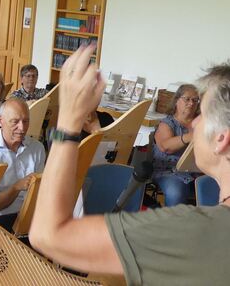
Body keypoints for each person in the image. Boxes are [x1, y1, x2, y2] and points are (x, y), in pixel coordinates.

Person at [30, 45, 230, 285]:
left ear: (222, 138)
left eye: (202, 113)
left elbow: (47, 235)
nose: (195, 121)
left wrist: (68, 120)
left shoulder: (195, 232)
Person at [0, 98, 45, 230]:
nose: (22, 128)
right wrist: (17, 187)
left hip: (30, 217)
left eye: (26, 121)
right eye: (15, 122)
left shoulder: (37, 148)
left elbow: (41, 193)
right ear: (0, 121)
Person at [152, 84, 200, 206]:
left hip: (198, 172)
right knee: (176, 193)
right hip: (169, 171)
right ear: (176, 100)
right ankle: (172, 225)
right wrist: (191, 136)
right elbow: (165, 147)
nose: (191, 103)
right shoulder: (167, 123)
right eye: (187, 99)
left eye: (195, 100)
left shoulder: (200, 123)